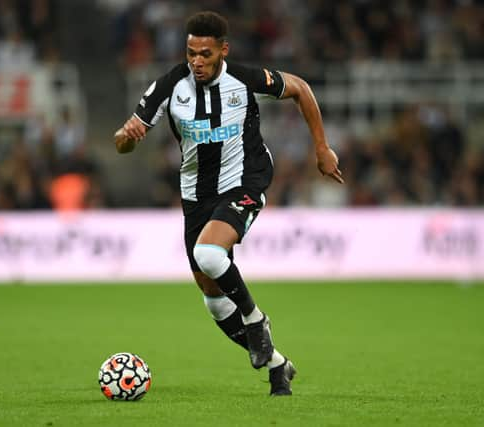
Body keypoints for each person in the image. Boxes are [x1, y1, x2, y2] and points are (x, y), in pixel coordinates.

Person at [114, 11, 343, 396]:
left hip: (244, 181)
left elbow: (300, 88)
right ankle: (277, 365)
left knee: (208, 254)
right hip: (196, 196)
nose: (197, 61)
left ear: (223, 50)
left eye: (205, 53)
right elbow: (123, 142)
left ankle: (256, 320)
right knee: (214, 300)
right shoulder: (169, 85)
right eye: (191, 53)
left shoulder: (244, 79)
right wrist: (128, 135)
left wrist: (321, 147)